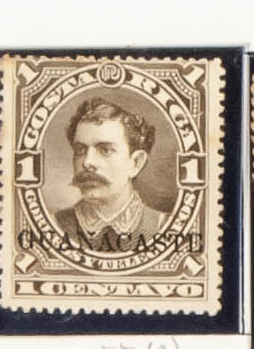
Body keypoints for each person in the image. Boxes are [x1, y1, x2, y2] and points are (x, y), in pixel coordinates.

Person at [57, 96, 172, 251]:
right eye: (80, 150)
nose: (87, 162)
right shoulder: (55, 225)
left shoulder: (164, 226)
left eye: (105, 150)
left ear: (136, 163)